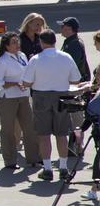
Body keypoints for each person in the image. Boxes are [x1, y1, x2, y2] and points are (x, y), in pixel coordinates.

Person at [22, 28, 83, 181]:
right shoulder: (66, 57)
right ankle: (63, 167)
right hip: (62, 96)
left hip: (41, 96)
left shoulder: (36, 59)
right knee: (61, 134)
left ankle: (48, 169)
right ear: (55, 42)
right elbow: (76, 79)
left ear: (41, 42)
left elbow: (27, 82)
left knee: (44, 134)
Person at [0, 32, 38, 172]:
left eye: (17, 41)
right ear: (6, 46)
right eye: (13, 42)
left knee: (29, 127)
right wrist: (14, 83)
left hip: (23, 96)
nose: (17, 44)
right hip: (8, 98)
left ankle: (33, 158)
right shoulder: (2, 61)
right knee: (8, 130)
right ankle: (10, 160)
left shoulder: (22, 56)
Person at [59, 16, 91, 81]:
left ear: (69, 29)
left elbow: (72, 65)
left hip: (77, 82)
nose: (61, 29)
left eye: (62, 27)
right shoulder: (71, 41)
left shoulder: (75, 44)